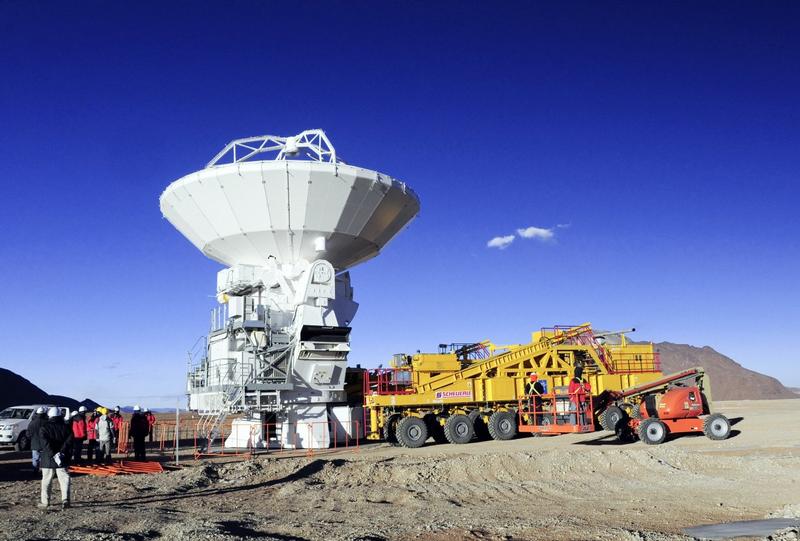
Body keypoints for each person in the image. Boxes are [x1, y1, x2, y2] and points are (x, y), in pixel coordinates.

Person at [39, 406, 73, 510]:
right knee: (64, 479)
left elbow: (45, 443)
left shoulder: (44, 428)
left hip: (48, 459)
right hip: (62, 459)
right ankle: (65, 499)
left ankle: (45, 502)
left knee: (46, 480)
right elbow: (69, 442)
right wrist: (61, 453)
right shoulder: (67, 428)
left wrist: (53, 454)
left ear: (49, 415)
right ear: (60, 415)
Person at [29, 407, 47, 473]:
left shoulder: (32, 423)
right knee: (44, 458)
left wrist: (32, 439)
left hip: (35, 443)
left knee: (35, 458)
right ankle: (44, 472)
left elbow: (28, 434)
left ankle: (35, 471)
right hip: (45, 444)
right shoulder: (47, 422)